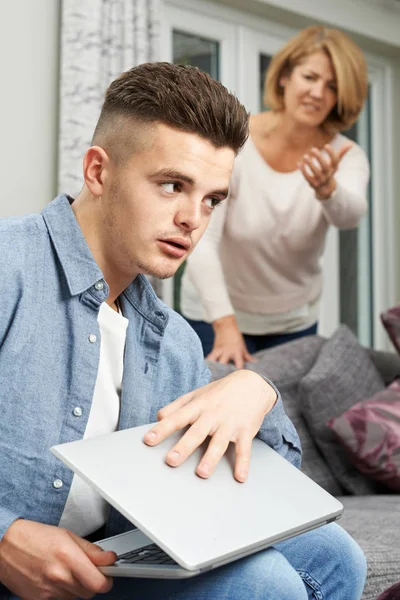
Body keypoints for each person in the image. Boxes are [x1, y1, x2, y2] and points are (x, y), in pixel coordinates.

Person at [0, 62, 366, 600]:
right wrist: (4, 537)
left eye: (212, 199)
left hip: (100, 563)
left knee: (336, 556)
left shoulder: (172, 340)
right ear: (98, 172)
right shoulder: (10, 267)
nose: (193, 218)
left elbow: (261, 482)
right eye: (173, 185)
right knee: (264, 584)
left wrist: (256, 392)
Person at [181, 25, 370, 368]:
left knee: (279, 413)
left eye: (332, 86)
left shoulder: (346, 155)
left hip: (292, 319)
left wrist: (328, 190)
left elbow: (350, 215)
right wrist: (225, 326)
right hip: (214, 312)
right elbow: (201, 241)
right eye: (310, 77)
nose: (317, 93)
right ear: (285, 75)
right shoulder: (235, 142)